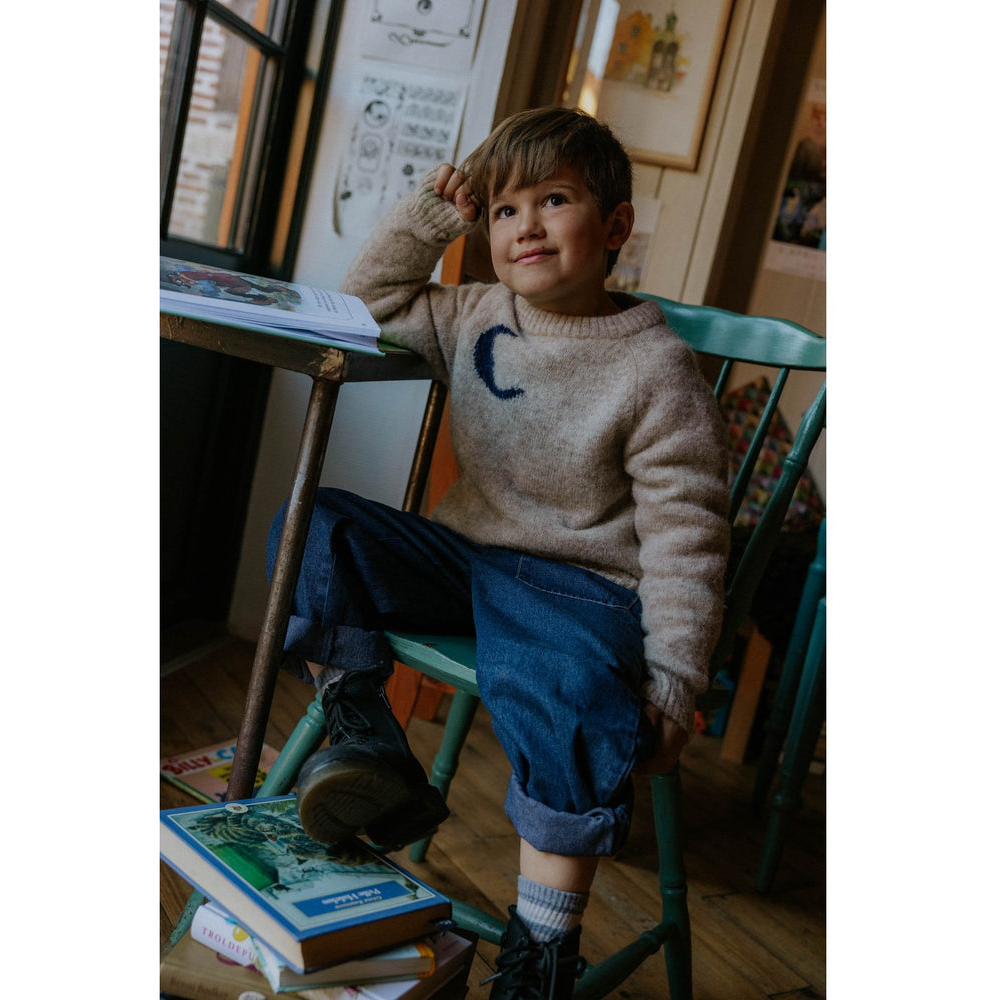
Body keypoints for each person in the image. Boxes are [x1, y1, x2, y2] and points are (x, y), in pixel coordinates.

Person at [266, 106, 729, 999]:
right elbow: (366, 305)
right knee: (315, 524)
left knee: (568, 692)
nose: (526, 227)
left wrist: (675, 677)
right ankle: (365, 736)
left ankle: (542, 947)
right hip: (463, 557)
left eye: (553, 200)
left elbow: (688, 537)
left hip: (581, 588)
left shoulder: (656, 371)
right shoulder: (474, 312)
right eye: (506, 210)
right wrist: (432, 215)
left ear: (615, 226)